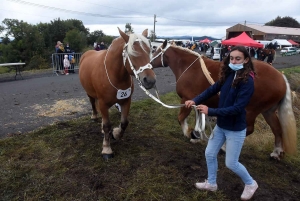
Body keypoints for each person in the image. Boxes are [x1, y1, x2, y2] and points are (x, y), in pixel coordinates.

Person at [185, 45, 258, 200]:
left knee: (231, 163)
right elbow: (212, 89)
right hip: (221, 126)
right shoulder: (229, 73)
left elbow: (237, 108)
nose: (234, 61)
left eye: (238, 58)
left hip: (235, 129)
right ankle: (211, 183)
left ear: (246, 60)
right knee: (209, 153)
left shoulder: (248, 81)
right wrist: (194, 100)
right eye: (231, 58)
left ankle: (251, 183)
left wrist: (211, 111)